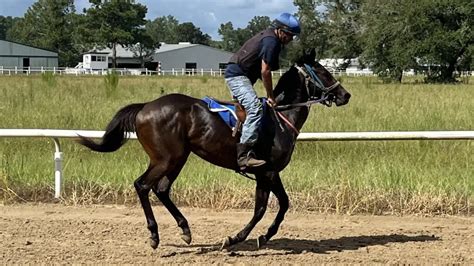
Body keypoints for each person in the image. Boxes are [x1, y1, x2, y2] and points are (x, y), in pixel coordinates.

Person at [224, 13, 301, 171]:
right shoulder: (271, 41)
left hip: (241, 74)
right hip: (237, 76)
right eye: (289, 35)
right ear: (280, 30)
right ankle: (244, 156)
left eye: (293, 36)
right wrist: (270, 96)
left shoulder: (271, 39)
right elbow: (265, 71)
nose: (290, 39)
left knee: (254, 109)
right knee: (255, 108)